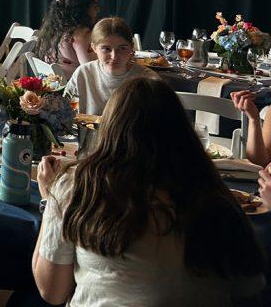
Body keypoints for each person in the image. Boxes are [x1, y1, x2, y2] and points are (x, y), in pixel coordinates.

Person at [34, 76, 265, 306]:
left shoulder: (77, 185)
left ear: (110, 128)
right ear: (183, 130)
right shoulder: (215, 195)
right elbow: (249, 289)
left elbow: (52, 291)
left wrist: (49, 199)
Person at [65, 17, 155, 116]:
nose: (114, 56)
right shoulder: (83, 74)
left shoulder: (147, 79)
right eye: (106, 49)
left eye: (122, 48)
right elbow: (64, 111)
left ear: (131, 47)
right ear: (94, 48)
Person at [37, 0, 100, 76]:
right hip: (73, 87)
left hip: (53, 83)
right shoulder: (81, 34)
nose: (98, 9)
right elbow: (90, 70)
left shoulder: (55, 29)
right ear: (82, 10)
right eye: (94, 6)